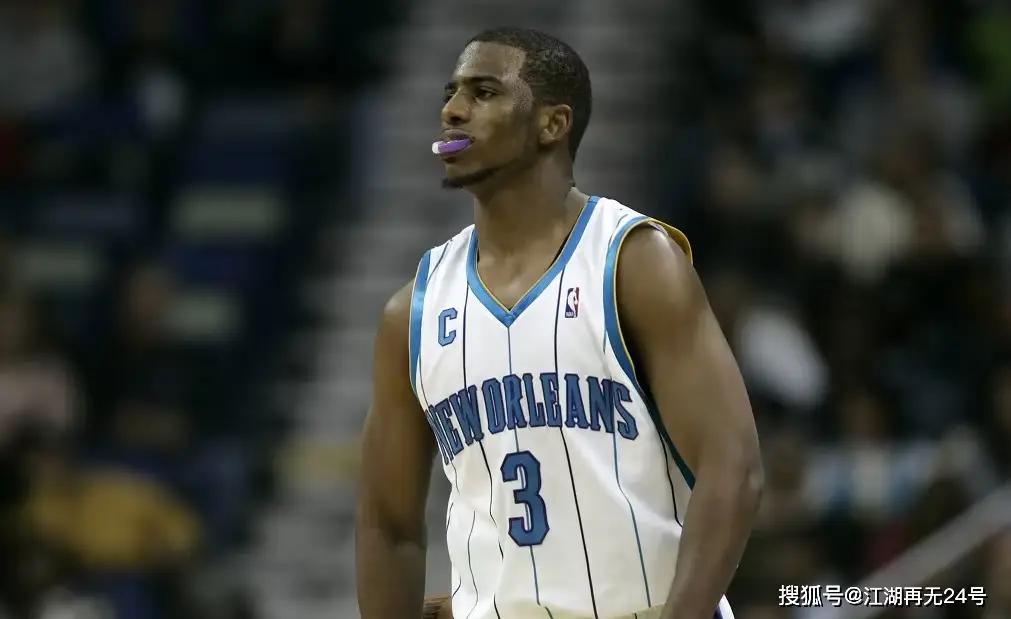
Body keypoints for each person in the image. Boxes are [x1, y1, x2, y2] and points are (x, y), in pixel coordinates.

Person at [356, 27, 764, 619]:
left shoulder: (635, 263)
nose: (452, 110)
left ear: (553, 124)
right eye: (450, 93)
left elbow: (733, 468)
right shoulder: (411, 313)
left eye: (484, 92)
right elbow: (387, 523)